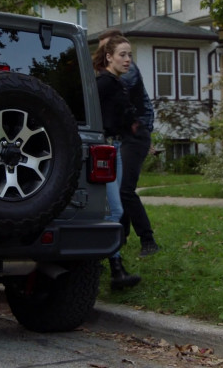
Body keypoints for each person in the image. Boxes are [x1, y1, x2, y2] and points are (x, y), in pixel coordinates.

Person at [98, 29, 159, 257]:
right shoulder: (108, 77)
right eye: (107, 48)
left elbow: (125, 100)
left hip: (135, 134)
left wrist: (143, 134)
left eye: (127, 54)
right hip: (125, 135)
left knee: (125, 190)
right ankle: (119, 239)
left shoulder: (124, 73)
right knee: (119, 193)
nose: (126, 59)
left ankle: (148, 240)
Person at [92, 34, 141, 290]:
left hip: (114, 148)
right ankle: (115, 270)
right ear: (109, 56)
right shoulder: (104, 83)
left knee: (112, 209)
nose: (128, 60)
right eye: (122, 54)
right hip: (103, 149)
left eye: (130, 55)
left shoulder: (116, 83)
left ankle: (107, 266)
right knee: (116, 211)